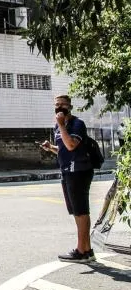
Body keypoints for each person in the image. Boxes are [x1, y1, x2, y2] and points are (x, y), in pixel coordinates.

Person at [40, 94, 96, 263]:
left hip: (79, 171)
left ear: (70, 107)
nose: (60, 107)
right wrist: (51, 148)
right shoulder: (58, 127)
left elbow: (72, 145)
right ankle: (87, 250)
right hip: (67, 171)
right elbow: (64, 149)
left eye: (63, 105)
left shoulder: (77, 124)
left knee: (81, 212)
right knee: (77, 212)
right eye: (57, 105)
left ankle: (81, 251)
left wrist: (61, 125)